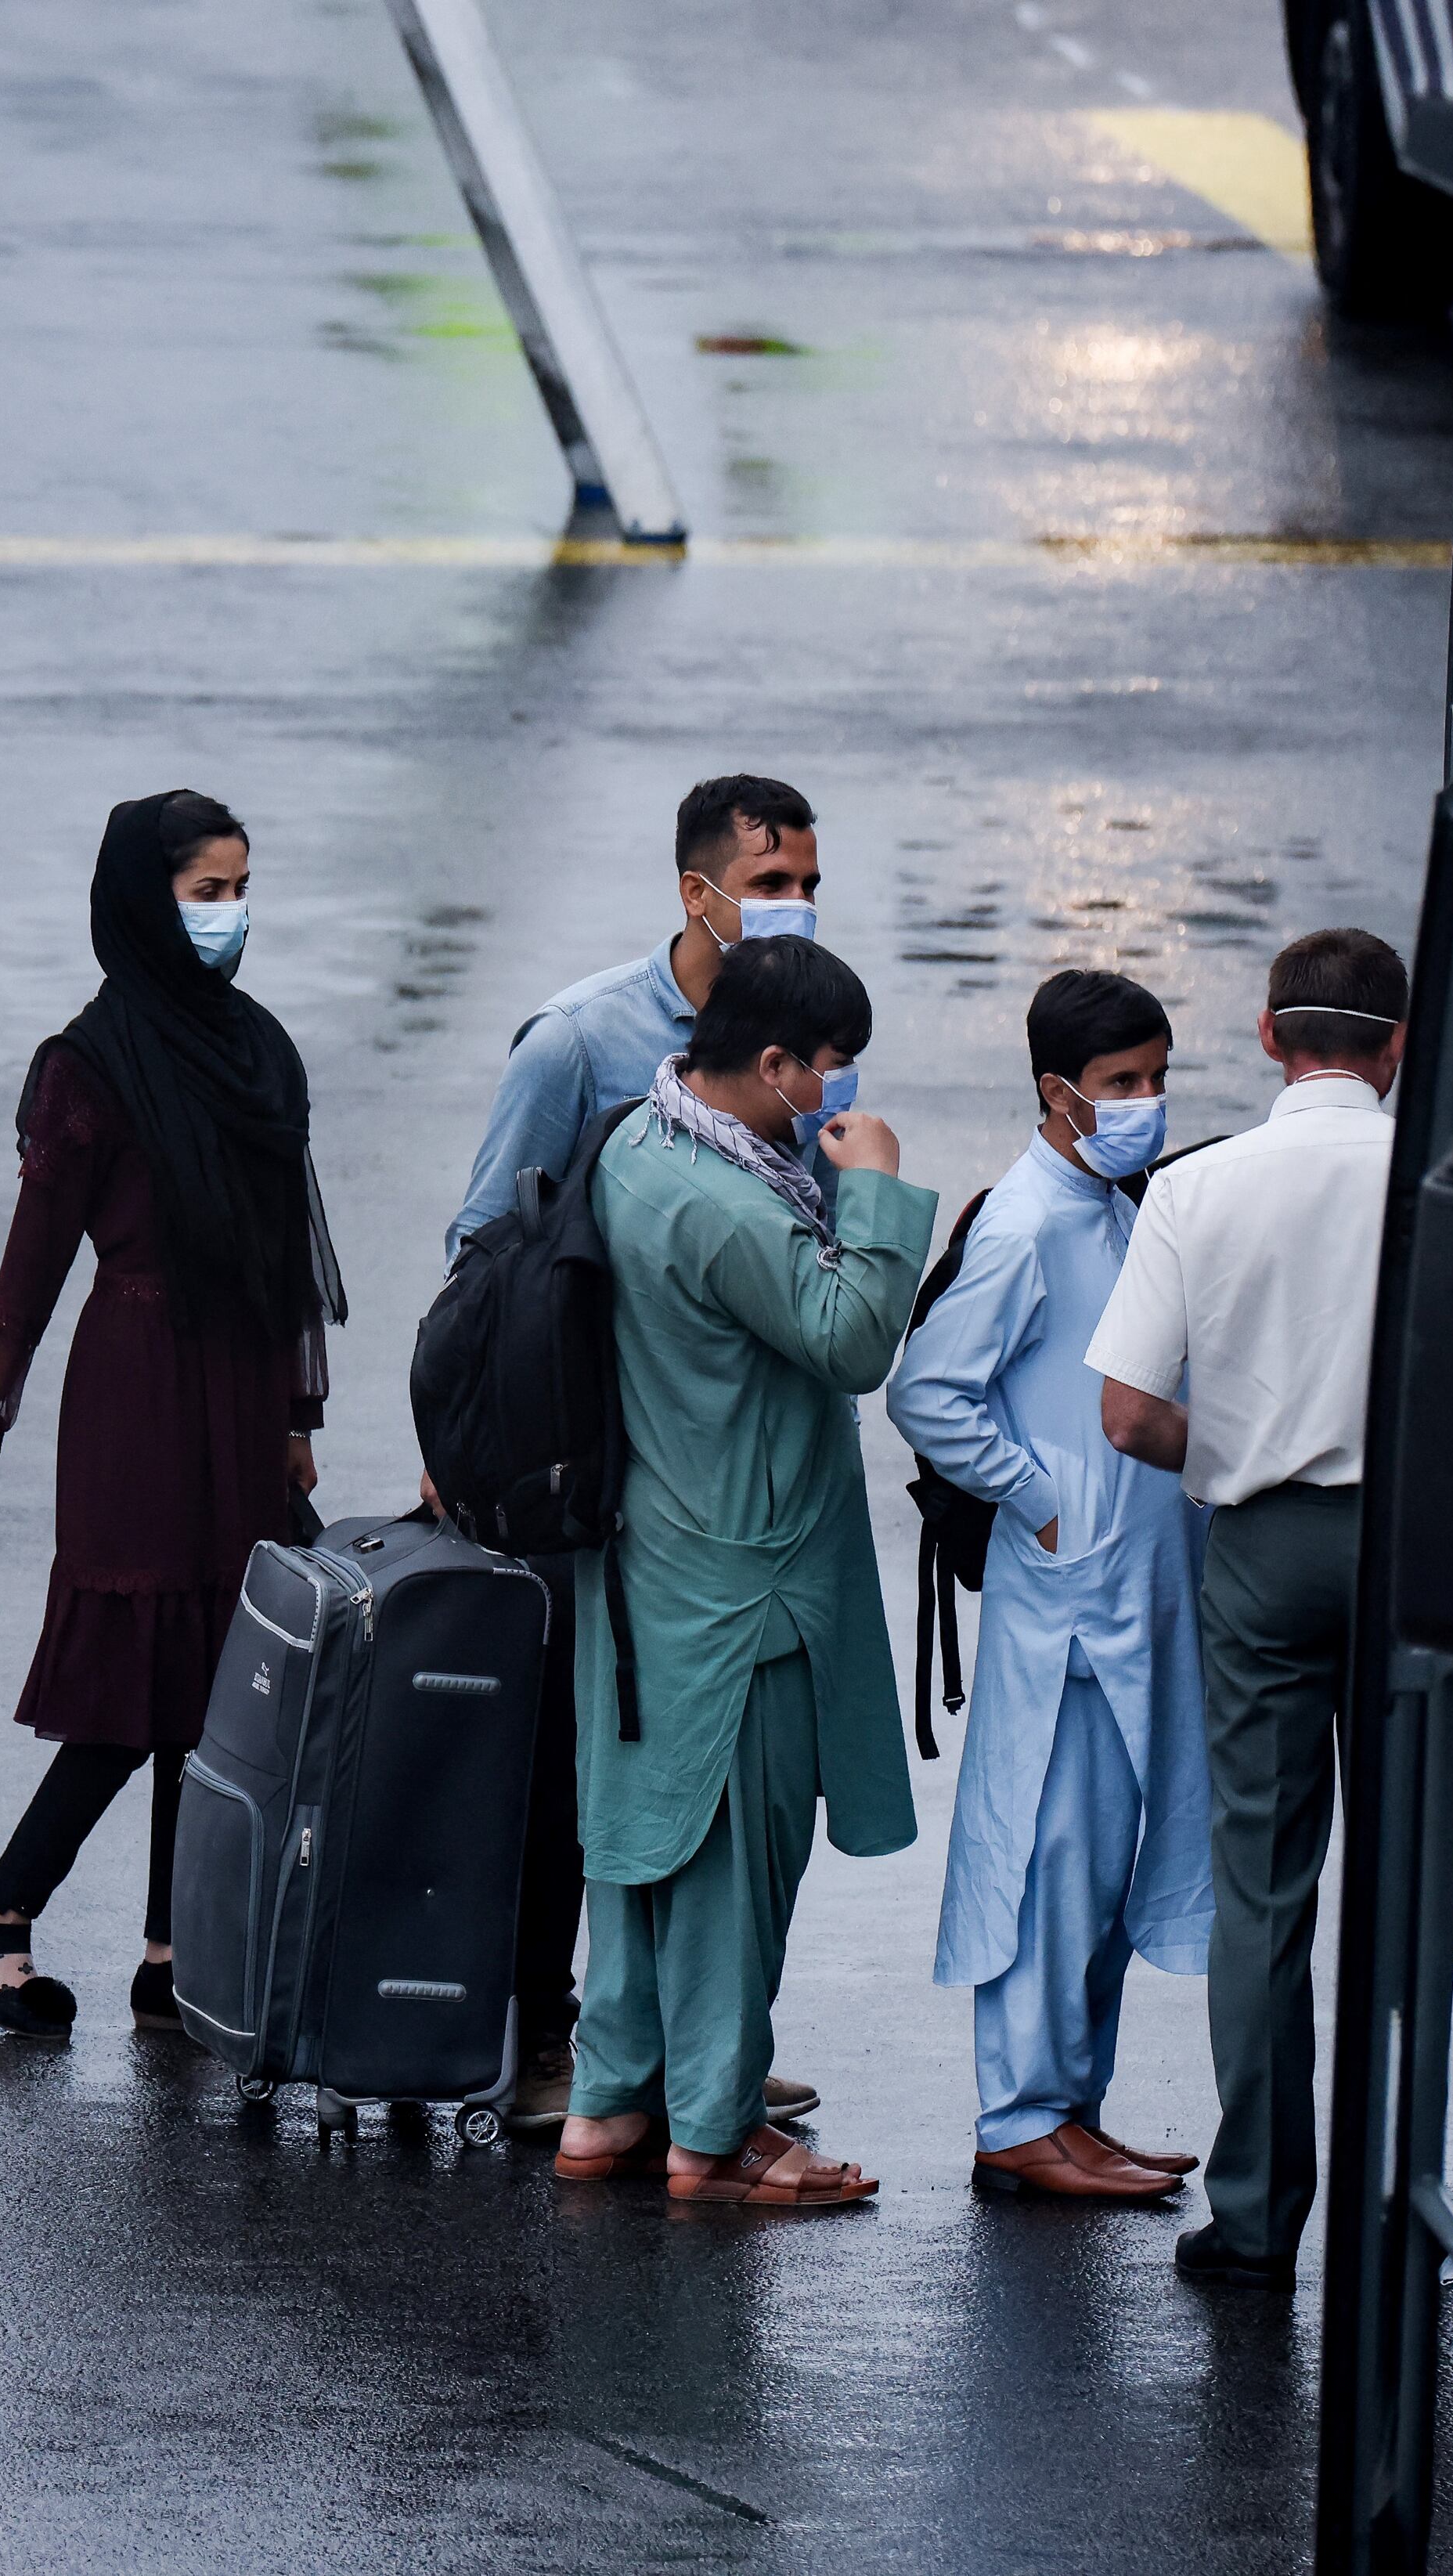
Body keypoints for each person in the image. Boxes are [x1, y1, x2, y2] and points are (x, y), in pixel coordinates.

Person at [442, 774, 831, 2134]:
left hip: (732, 1480)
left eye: (805, 887)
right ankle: (554, 2043)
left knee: (716, 1770)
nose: (789, 907)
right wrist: (486, 1450)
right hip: (591, 1471)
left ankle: (694, 2039)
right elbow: (485, 1248)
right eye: (769, 883)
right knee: (578, 1765)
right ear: (697, 891)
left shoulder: (798, 1040)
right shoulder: (581, 1041)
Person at [0, 790, 336, 2038]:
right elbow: (31, 1269)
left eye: (239, 889)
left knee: (219, 1685)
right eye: (205, 893)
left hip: (240, 1386)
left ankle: (171, 1950)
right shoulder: (86, 1068)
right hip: (140, 1388)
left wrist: (293, 1415)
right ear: (140, 900)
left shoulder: (258, 1048)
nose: (231, 915)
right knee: (132, 1685)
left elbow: (282, 1255)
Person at [550, 936, 929, 2207]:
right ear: (770, 1066)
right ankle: (718, 2136)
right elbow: (852, 1336)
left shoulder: (639, 1147)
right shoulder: (722, 1201)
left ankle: (607, 2113)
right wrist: (875, 1186)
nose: (838, 1092)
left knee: (637, 1859)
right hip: (745, 1590)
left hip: (642, 1567)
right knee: (730, 1878)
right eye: (827, 1069)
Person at [1087, 927, 1407, 2289]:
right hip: (1418, 1559)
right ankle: (1411, 2206)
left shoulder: (1200, 1187)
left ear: (1271, 1037)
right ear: (1399, 1050)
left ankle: (1264, 2216)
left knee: (1263, 1892)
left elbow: (1127, 1411)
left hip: (1263, 1550)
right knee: (1408, 1892)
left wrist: (1231, 1459)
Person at [884, 969, 1210, 2202]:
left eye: (1157, 1078)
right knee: (1050, 1858)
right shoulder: (1025, 1224)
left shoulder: (1115, 1207)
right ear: (1055, 1095)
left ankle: (1073, 2104)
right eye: (1123, 1084)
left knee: (1105, 1859)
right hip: (1069, 1599)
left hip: (1127, 1589)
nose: (1148, 1102)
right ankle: (1021, 2113)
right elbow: (928, 1392)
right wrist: (1043, 1497)